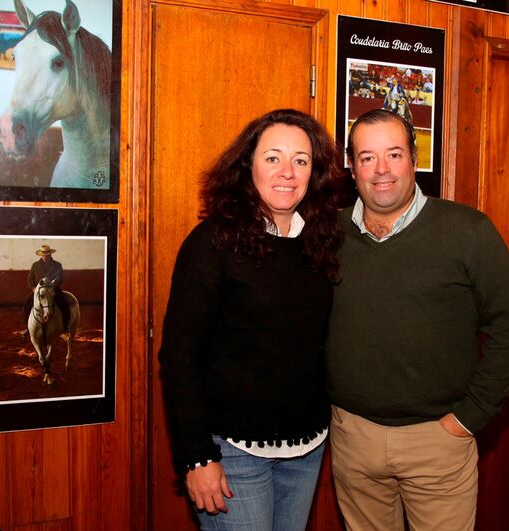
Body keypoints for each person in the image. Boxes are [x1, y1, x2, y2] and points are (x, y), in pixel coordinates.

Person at [326, 109, 509, 531]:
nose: (381, 170)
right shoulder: (327, 234)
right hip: (353, 439)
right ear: (351, 167)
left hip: (438, 440)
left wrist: (467, 419)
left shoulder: (468, 231)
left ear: (414, 159)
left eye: (394, 154)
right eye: (367, 157)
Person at [158, 109, 343, 530]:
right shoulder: (213, 243)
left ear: (314, 173)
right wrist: (196, 457)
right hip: (233, 453)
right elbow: (179, 357)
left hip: (307, 448)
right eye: (273, 157)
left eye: (301, 160)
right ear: (248, 166)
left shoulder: (322, 242)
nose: (287, 172)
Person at [24, 244, 70, 332]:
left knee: (64, 304)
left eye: (47, 254)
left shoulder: (57, 265)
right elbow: (30, 278)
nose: (45, 256)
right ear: (41, 254)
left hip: (53, 290)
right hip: (38, 292)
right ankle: (27, 327)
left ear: (50, 254)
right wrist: (34, 288)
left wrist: (51, 287)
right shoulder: (35, 265)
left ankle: (65, 326)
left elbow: (59, 278)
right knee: (26, 304)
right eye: (43, 254)